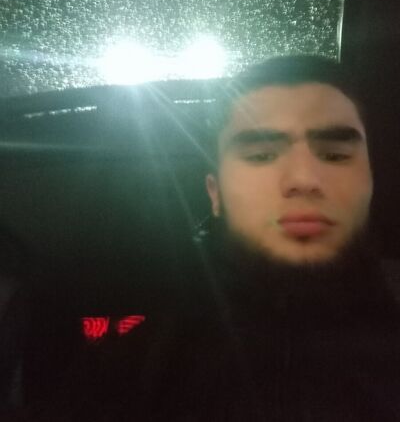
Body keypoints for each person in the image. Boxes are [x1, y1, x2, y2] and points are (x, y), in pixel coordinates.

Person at [21, 55, 400, 421]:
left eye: (334, 155)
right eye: (261, 155)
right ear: (214, 194)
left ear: (370, 180)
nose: (303, 179)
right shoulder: (134, 364)